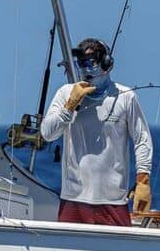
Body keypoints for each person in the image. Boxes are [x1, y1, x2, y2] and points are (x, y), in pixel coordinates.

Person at [41, 38, 152, 227]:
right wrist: (69, 106)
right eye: (80, 64)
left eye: (90, 64)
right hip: (73, 198)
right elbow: (47, 134)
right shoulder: (66, 93)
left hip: (112, 201)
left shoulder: (126, 97)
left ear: (106, 65)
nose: (85, 71)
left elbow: (142, 139)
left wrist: (143, 181)